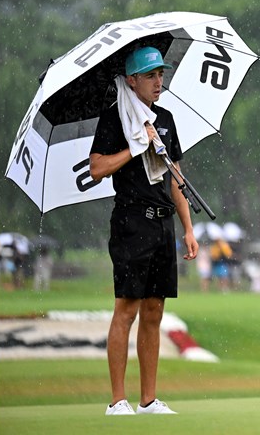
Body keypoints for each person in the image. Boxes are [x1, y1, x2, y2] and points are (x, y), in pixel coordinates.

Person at [89, 45, 198, 416]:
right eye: (151, 75)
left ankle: (148, 400)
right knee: (127, 309)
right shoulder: (114, 119)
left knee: (155, 310)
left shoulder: (165, 118)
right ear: (131, 81)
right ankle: (117, 400)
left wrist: (188, 228)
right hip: (131, 222)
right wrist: (135, 148)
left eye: (161, 74)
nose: (158, 81)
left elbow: (175, 178)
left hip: (163, 223)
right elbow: (97, 168)